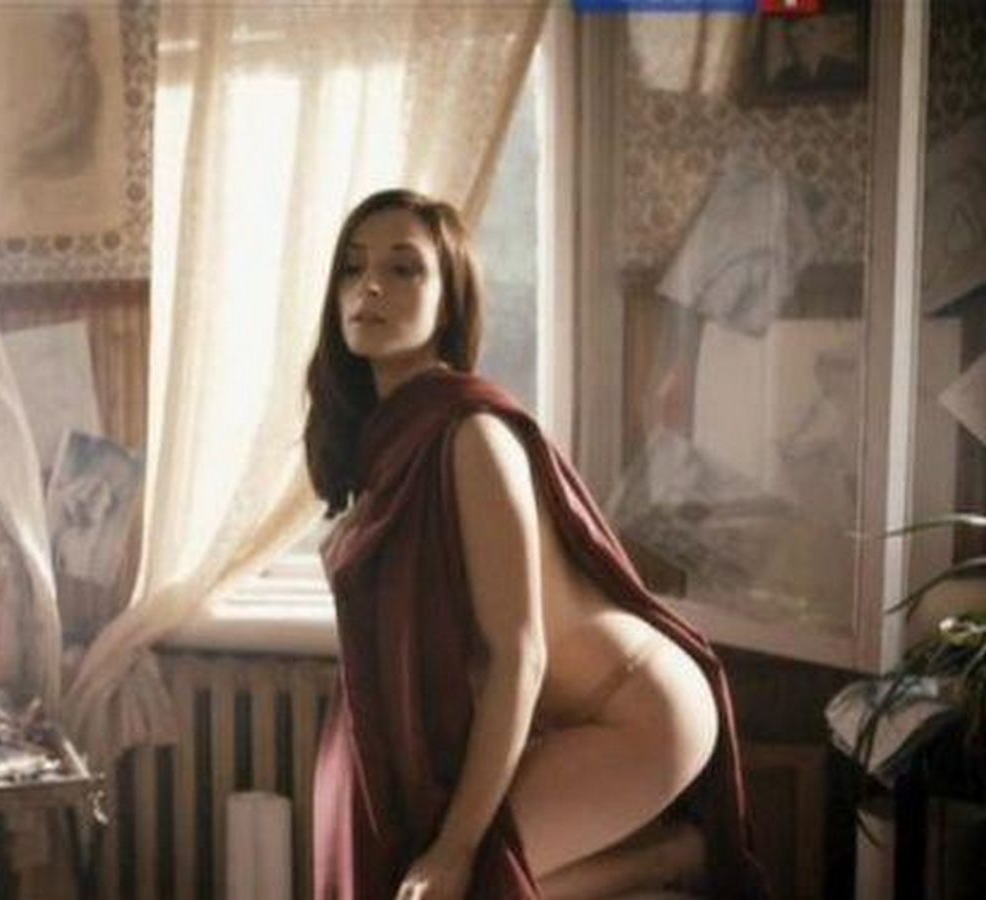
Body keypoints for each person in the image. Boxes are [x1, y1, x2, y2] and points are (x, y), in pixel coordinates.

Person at [305, 189, 769, 899]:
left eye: (403, 269)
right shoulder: (385, 439)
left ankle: (676, 857)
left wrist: (457, 845)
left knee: (464, 873)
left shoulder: (471, 435)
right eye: (352, 267)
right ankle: (666, 858)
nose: (368, 286)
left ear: (448, 303)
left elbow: (517, 654)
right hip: (571, 715)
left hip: (639, 714)